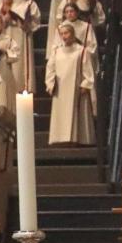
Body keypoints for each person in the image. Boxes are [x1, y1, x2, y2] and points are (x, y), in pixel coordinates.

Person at [44, 15, 97, 145]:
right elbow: (50, 68)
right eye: (62, 34)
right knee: (61, 115)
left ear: (72, 34)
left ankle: (77, 139)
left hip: (76, 88)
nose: (64, 36)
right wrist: (50, 83)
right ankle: (59, 138)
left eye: (66, 33)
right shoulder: (57, 51)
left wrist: (86, 84)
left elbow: (88, 70)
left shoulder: (81, 51)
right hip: (60, 89)